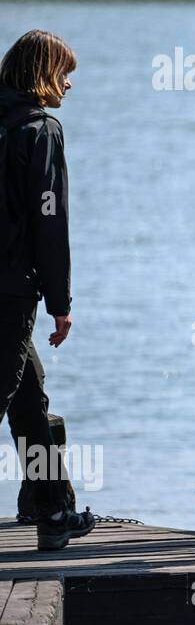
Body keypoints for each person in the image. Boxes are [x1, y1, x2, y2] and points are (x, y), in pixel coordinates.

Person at [0, 29, 96, 550]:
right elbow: (49, 223)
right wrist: (60, 304)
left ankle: (53, 511)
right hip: (11, 292)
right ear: (41, 75)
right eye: (63, 72)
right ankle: (52, 509)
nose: (69, 83)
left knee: (30, 400)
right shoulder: (41, 130)